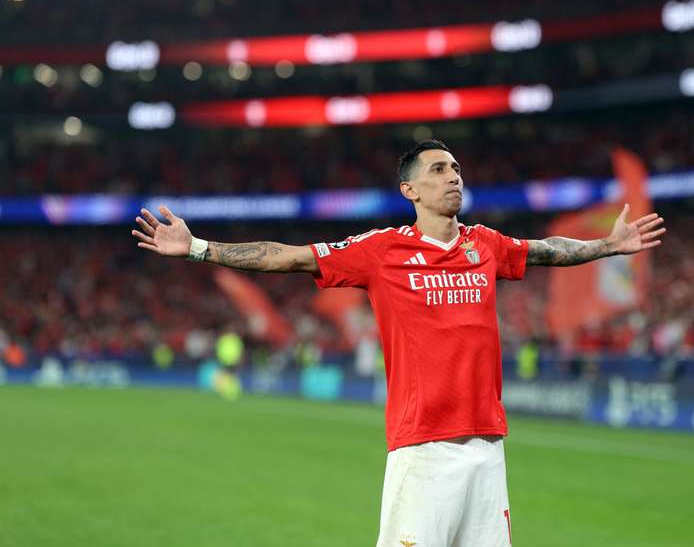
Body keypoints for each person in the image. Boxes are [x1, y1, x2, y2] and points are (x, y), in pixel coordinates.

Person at [131, 139, 666, 547]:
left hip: (487, 447)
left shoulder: (485, 244)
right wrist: (198, 247)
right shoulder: (381, 250)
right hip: (423, 447)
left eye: (456, 169)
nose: (453, 178)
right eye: (438, 170)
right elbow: (285, 255)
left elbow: (547, 249)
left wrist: (608, 245)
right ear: (410, 190)